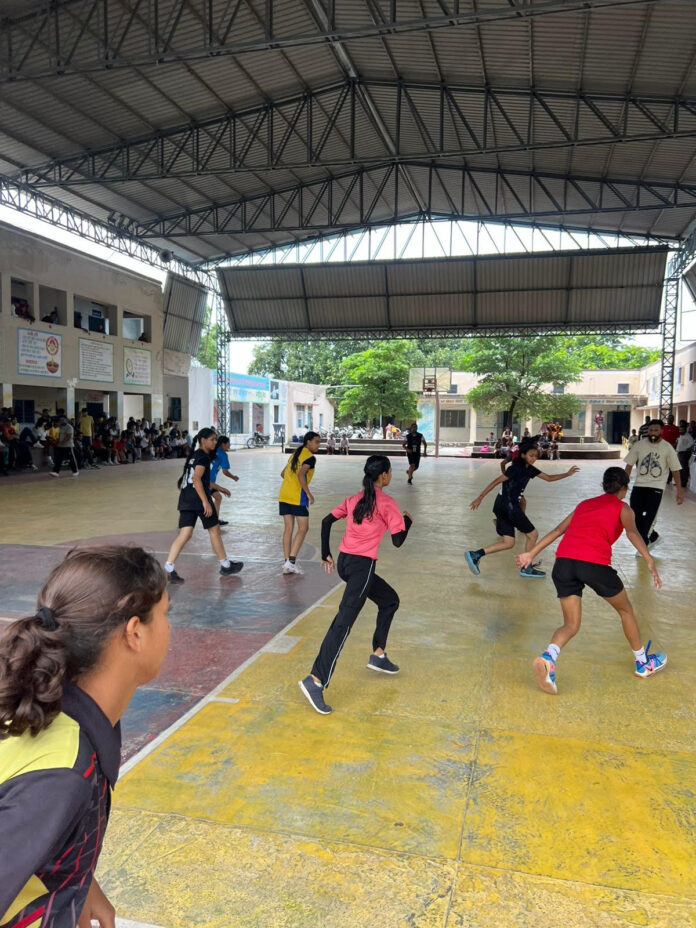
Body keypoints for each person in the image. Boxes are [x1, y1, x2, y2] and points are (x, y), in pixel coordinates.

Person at [0, 546, 170, 928]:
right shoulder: (62, 776)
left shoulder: (70, 715)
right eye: (165, 615)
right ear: (135, 632)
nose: (170, 627)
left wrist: (76, 880)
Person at [517, 467, 666, 696]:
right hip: (593, 565)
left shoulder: (584, 504)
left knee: (571, 625)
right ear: (625, 487)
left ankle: (549, 658)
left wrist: (531, 554)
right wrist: (648, 559)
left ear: (604, 486)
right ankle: (643, 664)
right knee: (626, 611)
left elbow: (558, 530)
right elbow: (633, 533)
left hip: (564, 563)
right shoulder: (623, 508)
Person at [298, 455, 413, 715]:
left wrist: (325, 553)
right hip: (362, 567)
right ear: (383, 476)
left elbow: (327, 521)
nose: (391, 475)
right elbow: (397, 541)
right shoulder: (387, 503)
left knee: (389, 600)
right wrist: (407, 522)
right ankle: (315, 680)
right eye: (390, 472)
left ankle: (378, 655)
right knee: (343, 623)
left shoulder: (354, 499)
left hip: (345, 563)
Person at [466, 438, 580, 580]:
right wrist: (480, 497)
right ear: (523, 455)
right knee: (533, 535)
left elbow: (549, 478)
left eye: (536, 456)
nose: (534, 458)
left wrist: (567, 474)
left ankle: (476, 554)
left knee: (508, 543)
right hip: (509, 506)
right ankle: (527, 567)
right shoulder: (514, 469)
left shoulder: (529, 469)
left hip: (501, 506)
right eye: (531, 455)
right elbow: (496, 482)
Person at [164, 428, 243, 583]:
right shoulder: (203, 457)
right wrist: (206, 502)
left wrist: (220, 489)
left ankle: (169, 568)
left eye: (216, 439)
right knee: (214, 530)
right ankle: (225, 565)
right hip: (198, 500)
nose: (215, 442)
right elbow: (197, 479)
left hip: (186, 499)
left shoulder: (195, 456)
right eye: (212, 439)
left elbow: (200, 480)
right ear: (203, 440)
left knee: (185, 534)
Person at [623, 418, 684, 549]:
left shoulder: (667, 448)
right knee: (635, 517)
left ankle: (643, 545)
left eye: (656, 430)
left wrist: (679, 490)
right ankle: (654, 537)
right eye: (651, 430)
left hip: (656, 487)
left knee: (649, 518)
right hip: (639, 486)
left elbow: (675, 470)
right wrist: (624, 484)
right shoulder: (639, 445)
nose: (653, 432)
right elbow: (629, 465)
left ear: (661, 431)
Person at [278, 431, 321, 575]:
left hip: (284, 495)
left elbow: (283, 474)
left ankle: (287, 563)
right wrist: (308, 493)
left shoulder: (296, 454)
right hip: (297, 496)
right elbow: (301, 474)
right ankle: (291, 562)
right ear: (308, 442)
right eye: (316, 442)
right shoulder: (310, 457)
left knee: (288, 529)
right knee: (303, 529)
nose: (318, 445)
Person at [210, 435, 239, 526]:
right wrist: (233, 477)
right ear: (223, 444)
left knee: (218, 497)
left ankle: (215, 520)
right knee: (201, 502)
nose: (229, 446)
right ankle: (213, 521)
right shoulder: (223, 454)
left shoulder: (212, 450)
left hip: (206, 480)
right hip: (208, 482)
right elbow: (225, 472)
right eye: (228, 444)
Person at [676, 420, 694, 492]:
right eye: (680, 429)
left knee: (684, 468)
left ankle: (684, 482)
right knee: (680, 468)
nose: (680, 431)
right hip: (680, 453)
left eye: (682, 430)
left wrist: (685, 448)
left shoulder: (688, 436)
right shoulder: (681, 435)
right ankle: (681, 481)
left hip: (684, 453)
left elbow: (691, 443)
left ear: (685, 430)